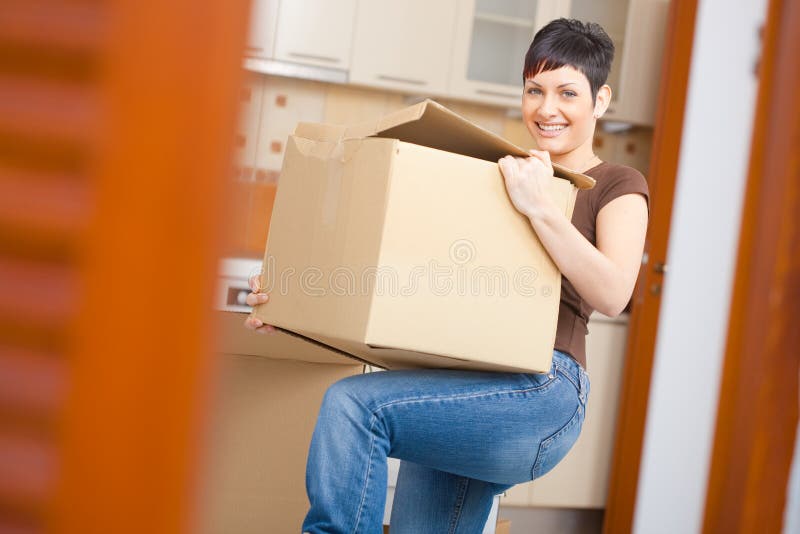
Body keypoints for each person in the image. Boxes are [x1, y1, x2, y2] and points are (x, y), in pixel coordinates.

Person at [245, 18, 649, 534]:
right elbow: (413, 271)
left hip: (543, 389)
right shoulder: (496, 171)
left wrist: (541, 207)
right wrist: (296, 307)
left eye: (567, 92)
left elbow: (614, 294)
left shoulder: (618, 184)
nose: (547, 109)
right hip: (468, 381)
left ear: (601, 99)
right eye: (534, 90)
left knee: (354, 406)